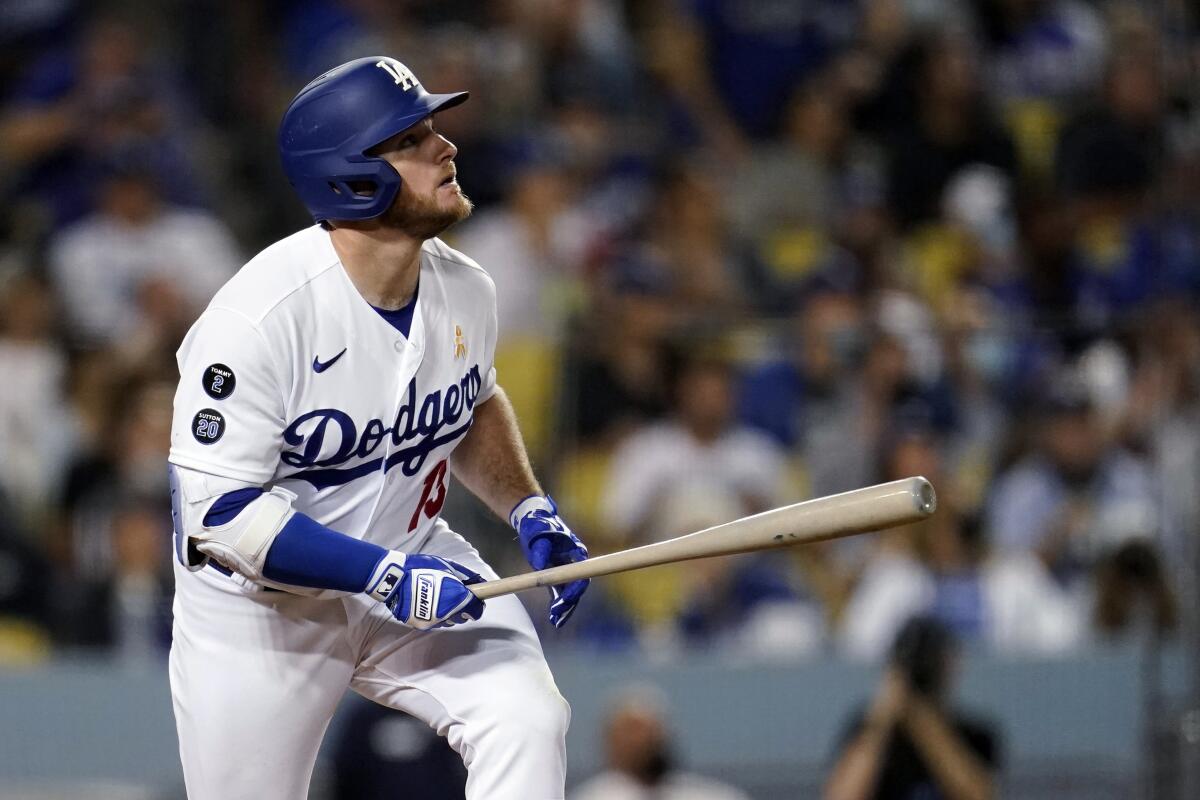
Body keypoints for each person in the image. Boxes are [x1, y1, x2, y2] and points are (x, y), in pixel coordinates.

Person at [166, 56, 590, 800]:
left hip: (414, 554)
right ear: (349, 178)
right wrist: (381, 577)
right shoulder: (255, 321)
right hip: (263, 610)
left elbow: (474, 400)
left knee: (526, 719)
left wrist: (529, 507)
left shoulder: (467, 286)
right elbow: (222, 517)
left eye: (434, 130)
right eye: (412, 138)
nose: (445, 148)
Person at [825, 616, 1000, 800]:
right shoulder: (867, 728)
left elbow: (978, 795)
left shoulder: (975, 733)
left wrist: (920, 717)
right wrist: (882, 718)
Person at [571, 687, 750, 800]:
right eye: (631, 730)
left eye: (650, 729)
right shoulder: (592, 796)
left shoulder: (710, 795)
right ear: (610, 741)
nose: (642, 740)